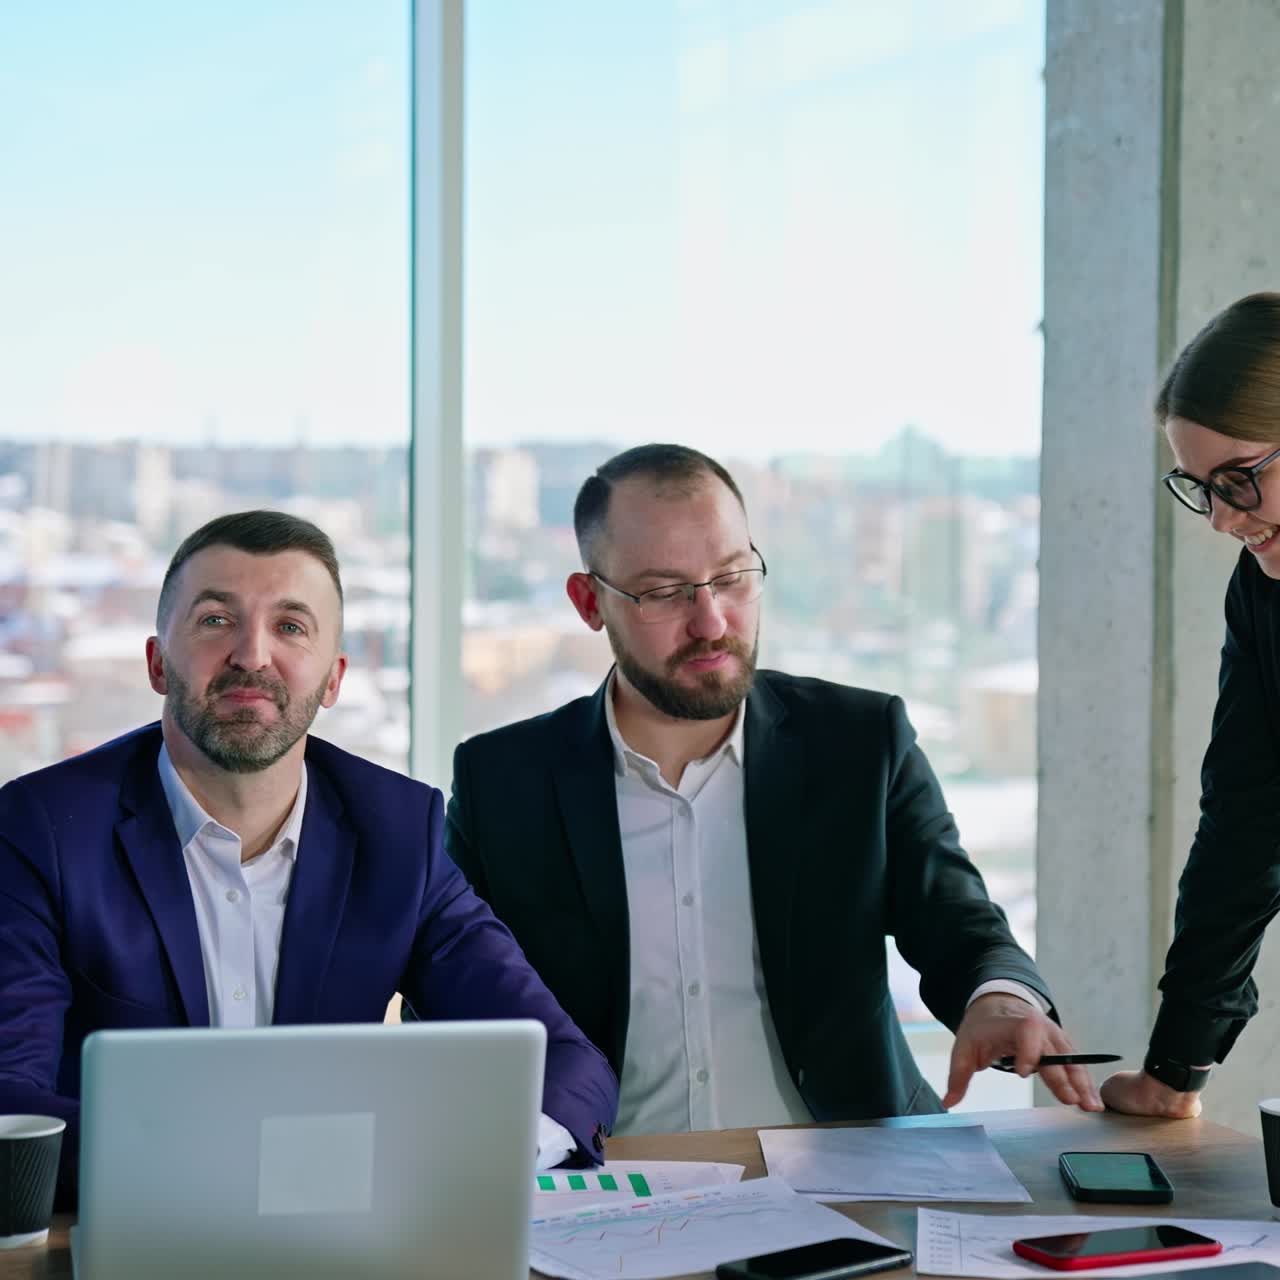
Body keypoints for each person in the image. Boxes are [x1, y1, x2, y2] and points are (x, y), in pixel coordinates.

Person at [446, 443, 1103, 1135]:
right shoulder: (503, 783)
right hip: (614, 1178)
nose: (712, 622)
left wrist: (998, 1000)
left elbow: (958, 922)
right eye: (665, 592)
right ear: (590, 602)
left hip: (850, 1171)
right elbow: (455, 999)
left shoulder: (860, 743)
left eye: (732, 578)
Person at [0, 510, 617, 1203]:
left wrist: (496, 1152)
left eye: (291, 627)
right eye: (215, 621)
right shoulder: (43, 829)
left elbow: (567, 1064)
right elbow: (9, 1099)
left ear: (333, 679)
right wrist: (245, 1163)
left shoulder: (397, 834)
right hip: (130, 1225)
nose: (252, 656)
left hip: (341, 1229)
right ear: (156, 663)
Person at [1103, 292, 1280, 1119]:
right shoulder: (1263, 596)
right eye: (1202, 489)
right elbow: (1245, 824)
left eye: (1240, 481)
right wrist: (1176, 1069)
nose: (1221, 519)